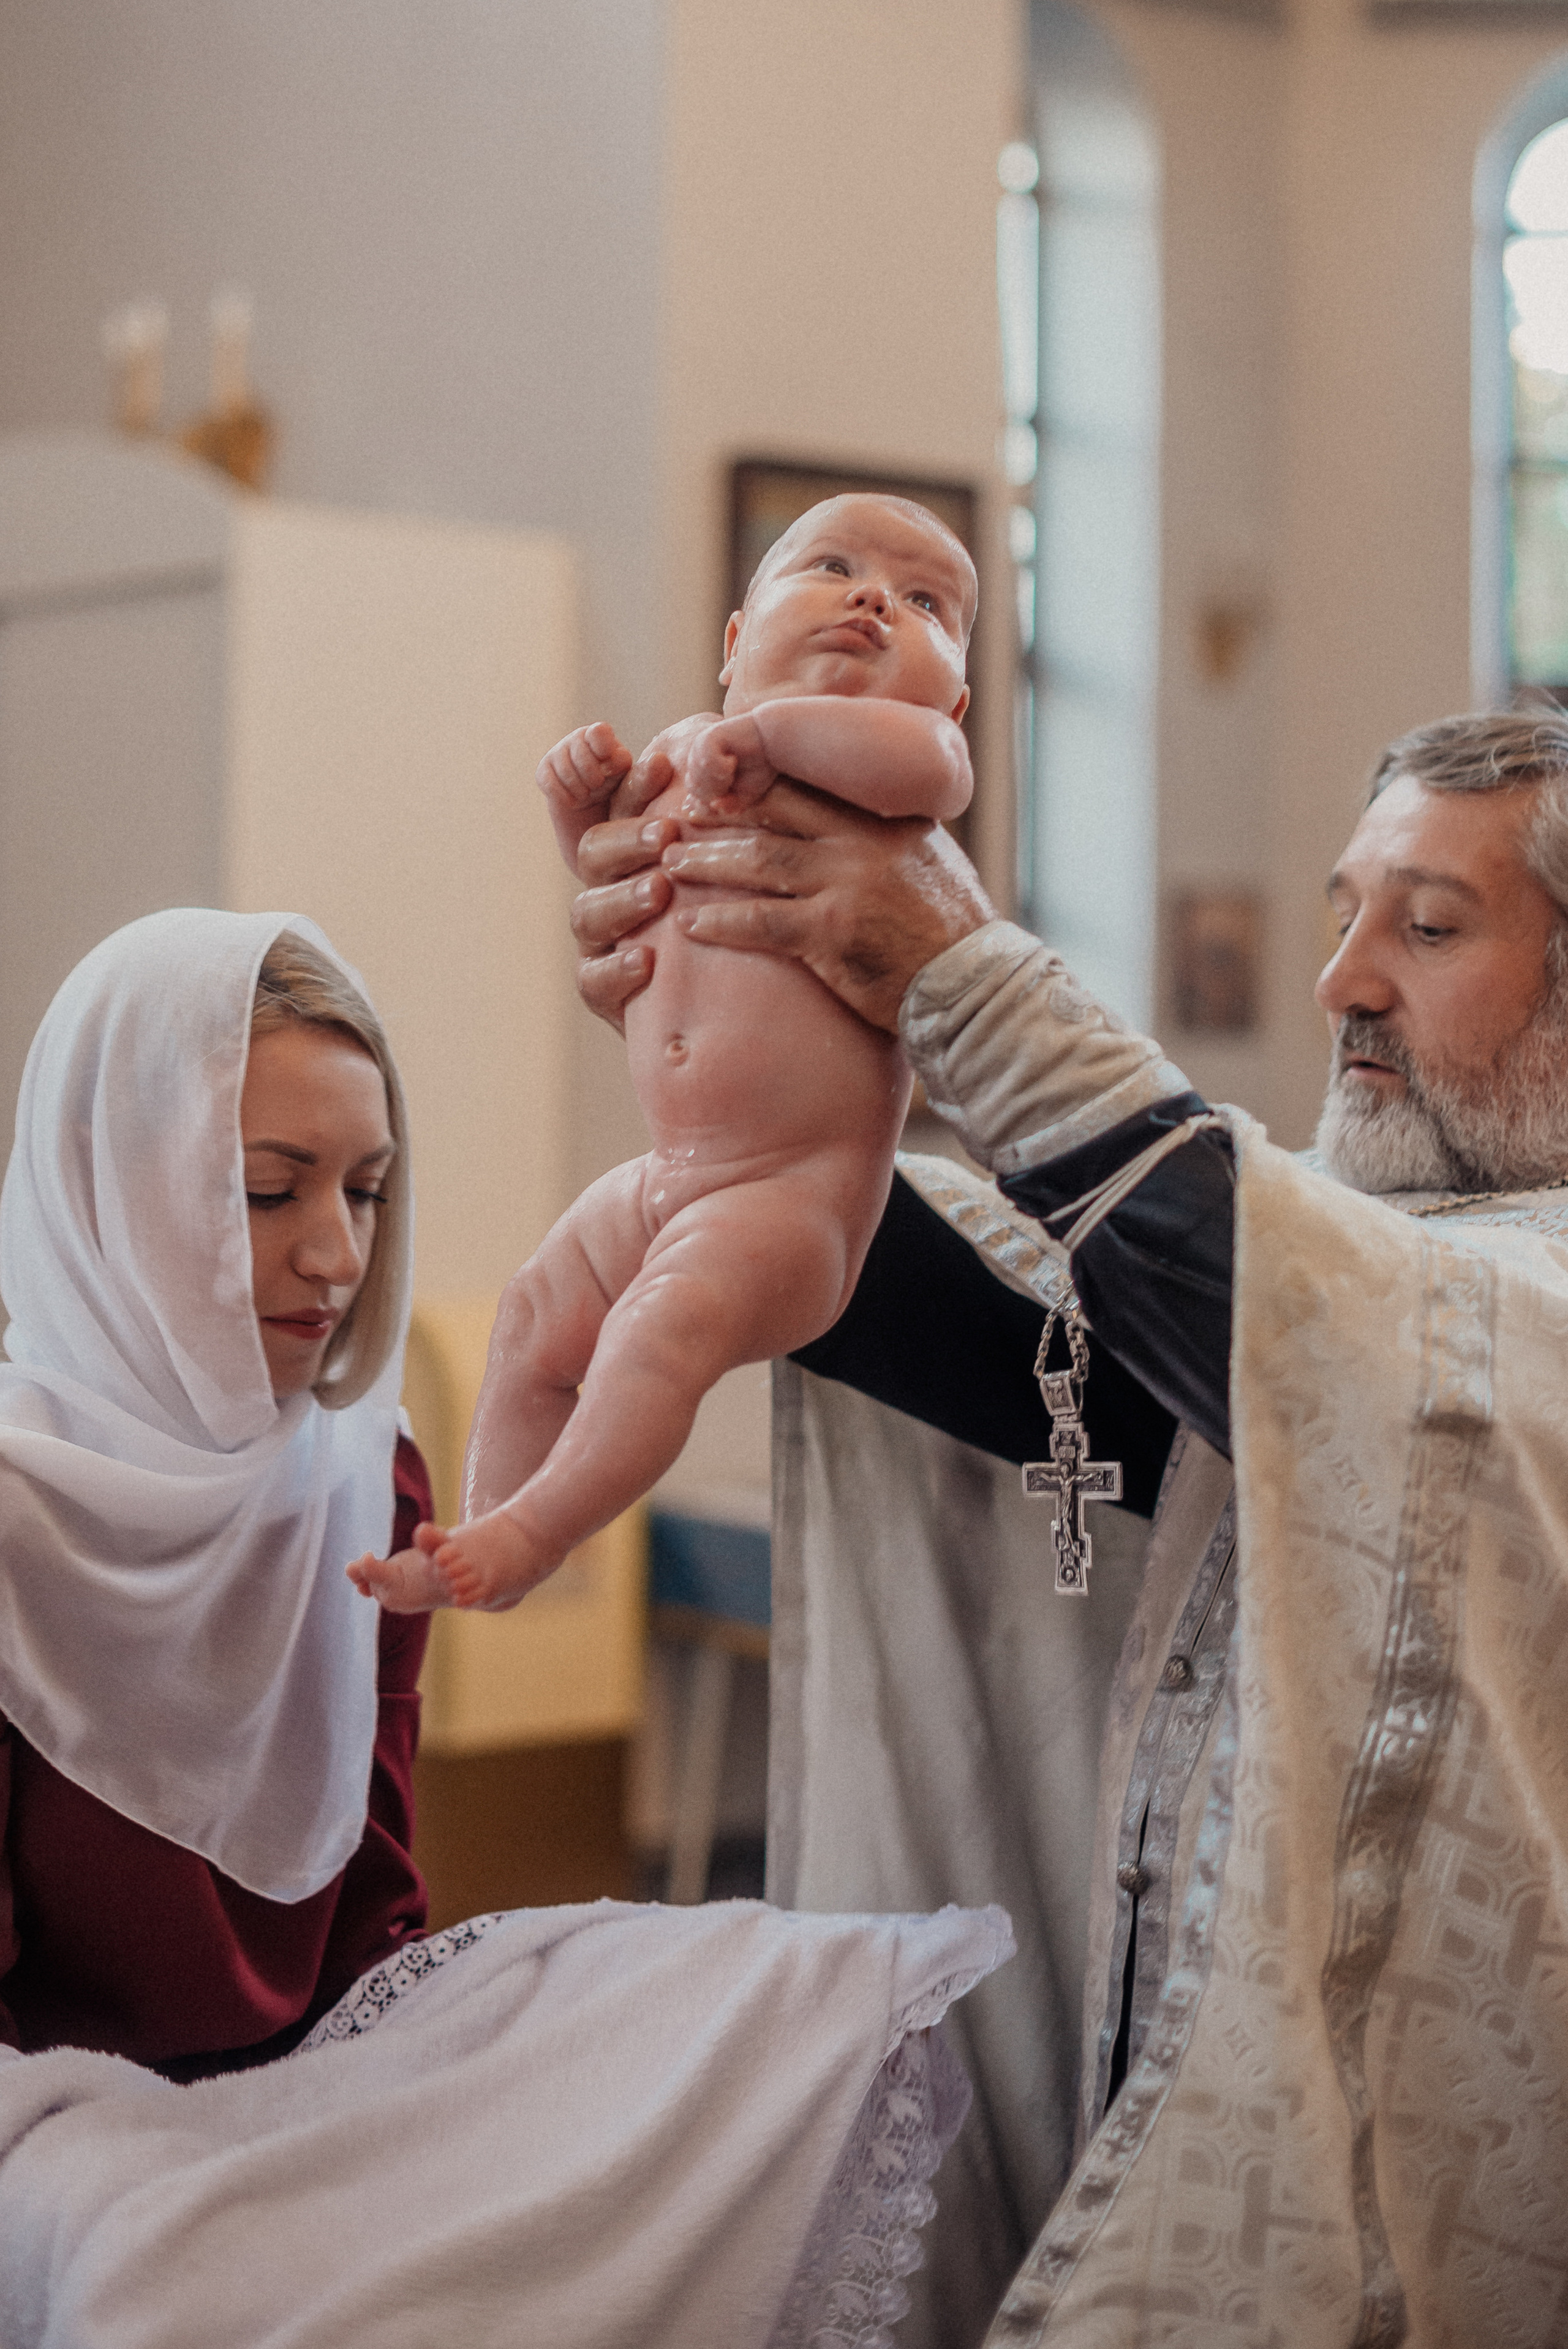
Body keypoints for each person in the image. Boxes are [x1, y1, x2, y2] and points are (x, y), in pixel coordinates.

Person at [570, 705, 1568, 2348]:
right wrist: (727, 1012)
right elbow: (1045, 1356)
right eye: (1347, 917)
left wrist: (959, 971)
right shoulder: (1355, 1301)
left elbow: (1306, 1307)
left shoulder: (1478, 1306)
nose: (1345, 984)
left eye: (1433, 927)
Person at [0, 906, 1012, 2349]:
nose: (337, 1255)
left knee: (792, 2002)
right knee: (166, 2276)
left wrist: (396, 2121)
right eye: (268, 1192)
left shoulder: (368, 1472)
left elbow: (376, 1922)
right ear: (115, 1189)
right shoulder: (16, 1508)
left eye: (365, 1189)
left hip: (309, 2079)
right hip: (49, 2121)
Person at [355, 491, 974, 1614]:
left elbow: (936, 768)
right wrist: (577, 813)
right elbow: (617, 875)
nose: (874, 596)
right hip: (672, 1172)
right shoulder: (691, 751)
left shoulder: (895, 783)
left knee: (659, 1326)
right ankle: (482, 1529)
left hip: (793, 1198)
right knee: (538, 1307)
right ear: (736, 644)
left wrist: (773, 734)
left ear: (959, 698)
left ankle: (542, 1534)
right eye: (830, 565)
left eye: (926, 601)